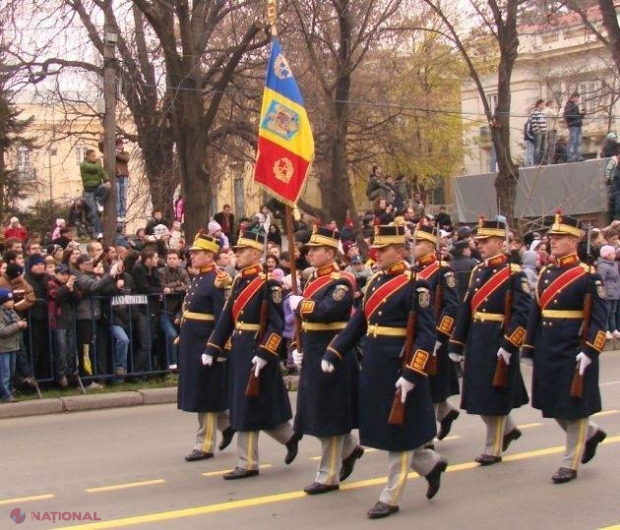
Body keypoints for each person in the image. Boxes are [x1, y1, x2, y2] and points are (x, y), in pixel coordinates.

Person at [324, 224, 447, 519]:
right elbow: (360, 322)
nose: (376, 254)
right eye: (375, 248)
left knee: (399, 431)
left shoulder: (416, 285)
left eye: (384, 249)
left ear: (401, 252)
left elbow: (426, 335)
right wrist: (336, 350)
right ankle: (430, 464)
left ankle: (390, 496)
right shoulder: (376, 281)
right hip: (376, 365)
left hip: (400, 366)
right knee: (390, 428)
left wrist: (413, 372)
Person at [204, 230, 299, 480]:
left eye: (242, 251)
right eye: (235, 250)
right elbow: (227, 318)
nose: (237, 254)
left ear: (256, 254)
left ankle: (247, 463)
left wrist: (265, 353)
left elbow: (276, 325)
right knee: (246, 404)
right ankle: (289, 437)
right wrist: (212, 347)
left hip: (257, 349)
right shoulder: (238, 282)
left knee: (248, 405)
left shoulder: (269, 284)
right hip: (239, 347)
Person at [522, 213, 607, 483]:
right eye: (552, 237)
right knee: (554, 404)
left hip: (573, 348)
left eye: (559, 238)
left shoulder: (587, 276)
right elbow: (536, 313)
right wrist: (529, 346)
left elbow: (598, 320)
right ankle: (591, 433)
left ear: (574, 240)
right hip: (548, 346)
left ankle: (569, 462)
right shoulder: (546, 273)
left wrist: (590, 350)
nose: (553, 241)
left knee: (574, 404)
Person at [448, 217, 530, 466]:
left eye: (485, 241)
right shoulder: (478, 270)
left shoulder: (514, 274)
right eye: (479, 241)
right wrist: (456, 343)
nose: (479, 245)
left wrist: (509, 344)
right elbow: (466, 309)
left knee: (493, 396)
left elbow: (522, 314)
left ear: (499, 242)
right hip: (477, 338)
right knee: (478, 394)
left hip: (497, 338)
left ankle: (492, 448)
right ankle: (508, 429)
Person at [288, 226, 363, 495]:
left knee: (329, 414)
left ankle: (328, 474)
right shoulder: (310, 280)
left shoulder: (341, 281)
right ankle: (349, 448)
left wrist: (300, 305)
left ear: (330, 252)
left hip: (333, 353)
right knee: (317, 411)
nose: (309, 254)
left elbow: (327, 311)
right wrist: (298, 346)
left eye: (315, 249)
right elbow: (306, 322)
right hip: (314, 350)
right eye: (308, 250)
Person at [177, 234, 234, 462]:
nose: (192, 256)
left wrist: (218, 347)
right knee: (201, 390)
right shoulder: (199, 278)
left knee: (205, 393)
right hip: (193, 342)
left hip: (205, 343)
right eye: (192, 252)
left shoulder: (217, 279)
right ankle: (228, 425)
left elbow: (222, 318)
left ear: (210, 255)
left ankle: (204, 444)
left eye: (197, 252)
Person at [413, 224, 461, 443]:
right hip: (419, 335)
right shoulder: (414, 271)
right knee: (422, 384)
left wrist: (440, 337)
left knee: (431, 387)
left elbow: (451, 306)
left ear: (430, 246)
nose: (414, 246)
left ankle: (427, 439)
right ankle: (446, 412)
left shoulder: (443, 270)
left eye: (419, 242)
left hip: (434, 338)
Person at [0, 289, 26, 402]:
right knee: (4, 373)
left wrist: (22, 324)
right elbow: (2, 331)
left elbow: (17, 321)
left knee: (11, 371)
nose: (12, 302)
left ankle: (10, 391)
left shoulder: (12, 311)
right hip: (3, 347)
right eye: (9, 300)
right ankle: (6, 394)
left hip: (13, 345)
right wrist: (17, 325)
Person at [79, 149, 111, 240]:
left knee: (106, 187)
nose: (95, 157)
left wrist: (107, 180)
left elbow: (103, 172)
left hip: (97, 187)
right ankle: (99, 232)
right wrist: (99, 161)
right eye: (93, 156)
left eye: (95, 155)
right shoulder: (84, 165)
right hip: (89, 192)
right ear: (88, 156)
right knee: (94, 213)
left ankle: (99, 201)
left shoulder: (97, 164)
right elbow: (96, 169)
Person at [564, 92, 586, 162]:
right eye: (577, 98)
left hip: (578, 124)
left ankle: (578, 156)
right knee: (573, 141)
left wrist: (582, 113)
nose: (578, 99)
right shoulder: (569, 105)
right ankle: (570, 156)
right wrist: (578, 115)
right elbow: (568, 115)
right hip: (573, 125)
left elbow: (577, 115)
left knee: (578, 141)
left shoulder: (575, 105)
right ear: (573, 97)